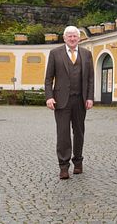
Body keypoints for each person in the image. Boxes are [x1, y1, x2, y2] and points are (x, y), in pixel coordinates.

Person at [45, 26, 94, 180]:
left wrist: (90, 97)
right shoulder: (55, 53)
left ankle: (78, 162)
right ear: (64, 38)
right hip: (61, 100)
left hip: (80, 99)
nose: (72, 39)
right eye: (70, 36)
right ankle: (64, 166)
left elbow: (91, 79)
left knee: (79, 132)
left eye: (75, 36)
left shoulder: (86, 54)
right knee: (63, 134)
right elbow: (48, 79)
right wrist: (49, 97)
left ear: (79, 38)